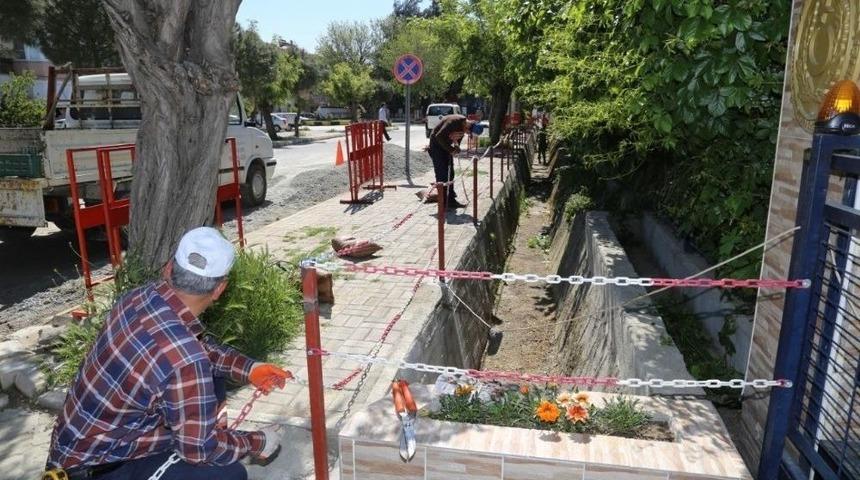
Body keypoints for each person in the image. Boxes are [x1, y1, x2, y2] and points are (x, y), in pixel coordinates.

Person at [45, 227, 290, 480]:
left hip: (71, 450)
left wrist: (249, 368)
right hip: (96, 471)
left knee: (210, 380)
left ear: (169, 268)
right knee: (228, 474)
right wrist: (257, 442)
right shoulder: (186, 360)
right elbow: (199, 449)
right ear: (219, 289)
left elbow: (194, 352)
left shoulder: (138, 297)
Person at [428, 114, 482, 209]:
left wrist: (456, 149)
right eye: (468, 132)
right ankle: (443, 203)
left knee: (451, 173)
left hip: (445, 147)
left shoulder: (462, 128)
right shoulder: (454, 122)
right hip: (436, 147)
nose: (466, 133)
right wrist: (451, 150)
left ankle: (451, 201)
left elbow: (456, 142)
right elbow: (439, 136)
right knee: (442, 175)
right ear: (468, 126)